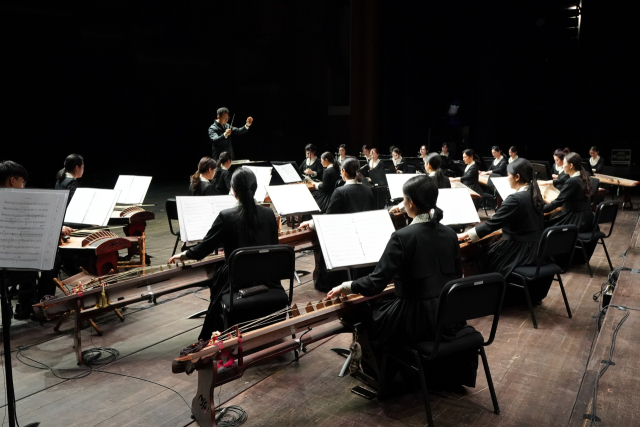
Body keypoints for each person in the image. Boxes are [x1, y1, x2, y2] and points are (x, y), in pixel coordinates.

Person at [327, 175, 477, 390]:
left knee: (373, 316)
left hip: (416, 317)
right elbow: (456, 275)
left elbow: (375, 284)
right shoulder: (449, 234)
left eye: (404, 199)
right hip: (446, 313)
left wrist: (347, 285)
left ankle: (381, 375)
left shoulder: (402, 236)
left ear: (411, 203)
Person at [168, 168, 286, 341]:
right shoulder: (269, 214)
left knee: (216, 279)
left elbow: (204, 248)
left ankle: (220, 333)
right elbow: (274, 248)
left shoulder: (227, 216)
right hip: (269, 280)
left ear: (234, 190)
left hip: (237, 281)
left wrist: (185, 254)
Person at [457, 159, 552, 301]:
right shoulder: (534, 192)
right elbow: (524, 217)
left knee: (482, 256)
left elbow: (492, 224)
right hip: (536, 248)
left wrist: (466, 234)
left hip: (519, 249)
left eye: (508, 174)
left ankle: (484, 298)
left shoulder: (516, 198)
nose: (507, 178)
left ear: (517, 177)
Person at [1, 161, 73, 319]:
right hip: (8, 263)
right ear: (13, 181)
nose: (24, 186)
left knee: (30, 256)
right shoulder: (13, 202)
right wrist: (55, 231)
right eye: (22, 181)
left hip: (7, 256)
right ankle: (44, 306)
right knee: (51, 257)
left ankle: (24, 306)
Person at [299, 157, 376, 291]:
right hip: (365, 238)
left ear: (344, 172)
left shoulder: (340, 192)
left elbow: (329, 218)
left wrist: (311, 223)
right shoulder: (368, 190)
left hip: (345, 239)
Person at [542, 153, 594, 232]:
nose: (562, 166)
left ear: (571, 166)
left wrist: (539, 210)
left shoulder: (572, 181)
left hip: (578, 221)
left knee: (544, 227)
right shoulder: (582, 177)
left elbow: (558, 202)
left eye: (564, 164)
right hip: (587, 218)